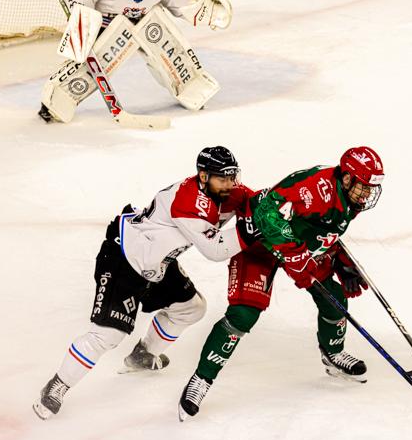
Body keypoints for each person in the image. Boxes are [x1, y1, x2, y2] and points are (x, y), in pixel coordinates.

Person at [33, 146, 253, 420]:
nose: (230, 184)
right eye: (223, 178)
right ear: (203, 176)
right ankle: (57, 386)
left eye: (232, 176)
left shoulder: (226, 192)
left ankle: (142, 354)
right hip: (125, 259)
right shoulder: (188, 200)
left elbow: (258, 202)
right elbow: (216, 250)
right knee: (108, 335)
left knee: (192, 308)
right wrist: (254, 230)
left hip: (156, 262)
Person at [177, 146, 385, 420]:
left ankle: (333, 354)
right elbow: (267, 214)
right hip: (258, 243)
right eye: (364, 187)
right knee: (243, 315)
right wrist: (296, 257)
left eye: (371, 188)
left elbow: (320, 227)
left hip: (296, 245)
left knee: (334, 299)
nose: (367, 194)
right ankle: (201, 379)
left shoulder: (347, 197)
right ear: (347, 178)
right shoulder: (315, 189)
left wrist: (338, 258)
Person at [38, 0, 233, 123]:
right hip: (108, 23)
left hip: (147, 18)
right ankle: (59, 98)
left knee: (172, 54)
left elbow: (177, 0)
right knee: (91, 67)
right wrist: (83, 20)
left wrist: (203, 9)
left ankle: (191, 86)